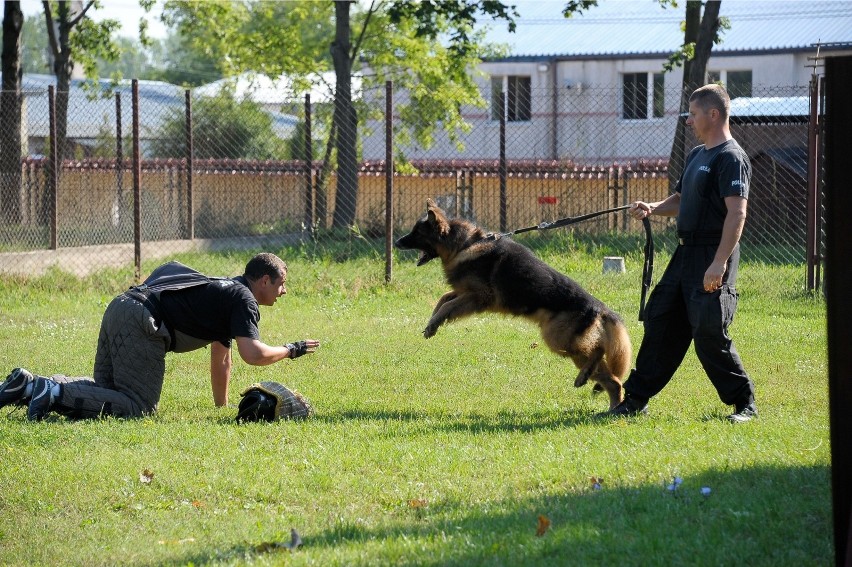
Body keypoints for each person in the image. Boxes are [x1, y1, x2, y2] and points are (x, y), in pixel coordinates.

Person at [0, 252, 319, 420]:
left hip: (121, 306)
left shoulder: (228, 293)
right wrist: (292, 349)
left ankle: (30, 386)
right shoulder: (244, 299)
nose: (283, 291)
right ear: (264, 280)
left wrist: (220, 407)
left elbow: (222, 358)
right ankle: (50, 392)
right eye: (280, 284)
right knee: (138, 406)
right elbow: (253, 354)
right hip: (142, 319)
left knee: (109, 392)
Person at [605, 83, 757, 423]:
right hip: (685, 254)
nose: (688, 121)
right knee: (660, 319)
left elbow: (737, 213)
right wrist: (653, 207)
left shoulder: (731, 158)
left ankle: (744, 403)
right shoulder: (696, 155)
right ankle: (635, 400)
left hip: (712, 254)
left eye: (693, 113)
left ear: (713, 114)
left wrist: (718, 263)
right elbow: (680, 200)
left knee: (707, 331)